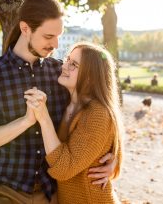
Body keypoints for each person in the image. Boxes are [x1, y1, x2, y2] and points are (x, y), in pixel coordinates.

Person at [0, 0, 115, 204]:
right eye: (48, 36)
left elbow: (98, 111)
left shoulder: (61, 74)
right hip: (3, 189)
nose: (55, 44)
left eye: (58, 36)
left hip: (51, 191)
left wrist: (111, 159)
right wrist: (26, 121)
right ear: (25, 29)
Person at [24, 42, 123, 203]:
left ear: (91, 77)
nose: (65, 66)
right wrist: (116, 158)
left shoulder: (97, 113)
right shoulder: (68, 101)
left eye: (74, 64)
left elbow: (64, 169)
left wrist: (43, 117)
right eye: (67, 59)